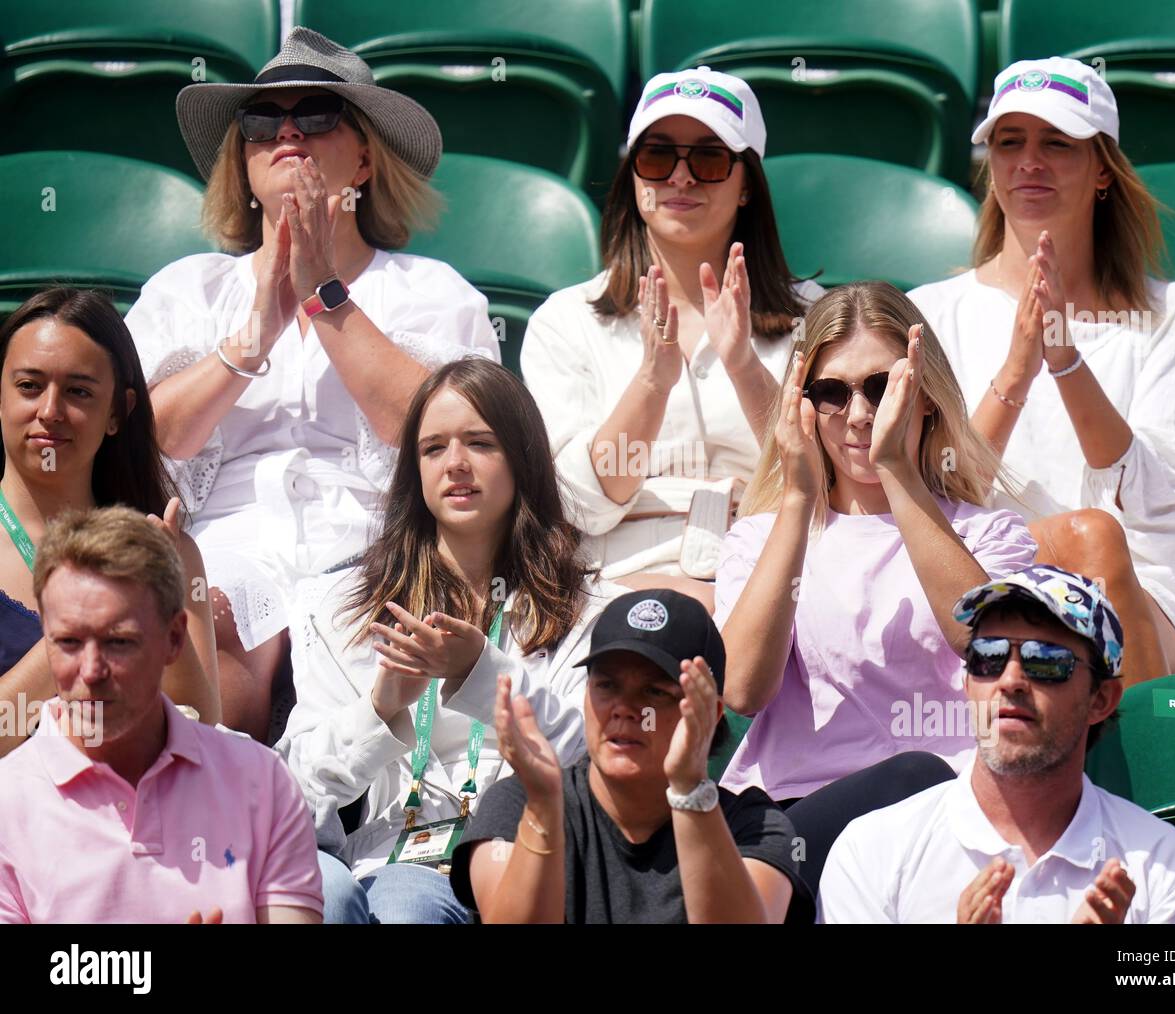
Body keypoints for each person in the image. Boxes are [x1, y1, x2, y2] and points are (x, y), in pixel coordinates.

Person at [126, 27, 498, 740]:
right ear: (245, 156)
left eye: (317, 114)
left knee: (368, 665)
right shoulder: (187, 290)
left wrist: (326, 297)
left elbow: (446, 435)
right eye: (263, 122)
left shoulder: (435, 294)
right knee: (204, 633)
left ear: (364, 157)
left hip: (379, 545)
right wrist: (252, 336)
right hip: (227, 540)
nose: (288, 132)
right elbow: (146, 439)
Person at [908, 57, 1175, 681]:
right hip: (976, 577)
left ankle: (1143, 773)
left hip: (1135, 585)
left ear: (1103, 169)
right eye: (1009, 142)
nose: (1030, 161)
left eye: (1058, 143)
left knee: (1097, 537)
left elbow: (1157, 505)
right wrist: (1019, 372)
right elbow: (933, 491)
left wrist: (1066, 361)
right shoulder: (929, 311)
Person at [279, 359, 619, 923]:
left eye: (480, 443)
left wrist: (480, 674)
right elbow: (292, 796)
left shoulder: (591, 609)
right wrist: (379, 708)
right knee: (319, 893)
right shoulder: (340, 608)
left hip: (511, 863)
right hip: (370, 863)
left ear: (523, 458)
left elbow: (587, 760)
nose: (455, 464)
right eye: (433, 448)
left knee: (407, 902)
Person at [715, 282, 1038, 804]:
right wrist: (798, 498)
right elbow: (743, 689)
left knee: (915, 778)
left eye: (882, 387)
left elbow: (990, 646)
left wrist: (895, 468)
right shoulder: (759, 538)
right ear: (805, 409)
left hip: (945, 808)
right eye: (832, 393)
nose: (860, 413)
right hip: (797, 810)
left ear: (926, 397)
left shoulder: (989, 535)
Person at [521, 68, 823, 605]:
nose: (680, 179)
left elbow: (826, 482)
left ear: (747, 182)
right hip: (615, 577)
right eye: (657, 157)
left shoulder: (815, 315)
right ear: (633, 177)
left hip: (780, 571)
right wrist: (650, 385)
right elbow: (578, 505)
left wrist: (744, 367)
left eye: (708, 159)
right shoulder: (566, 320)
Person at [818, 565, 1175, 924]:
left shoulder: (1167, 865)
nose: (1010, 681)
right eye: (988, 657)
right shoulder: (872, 850)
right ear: (968, 682)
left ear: (1101, 700)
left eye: (1045, 661)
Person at [0, 507, 321, 923]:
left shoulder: (264, 784)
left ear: (173, 640)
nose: (92, 671)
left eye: (119, 642)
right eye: (69, 642)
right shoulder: (9, 806)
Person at [450, 588, 813, 923]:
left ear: (709, 713)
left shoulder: (754, 825)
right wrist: (544, 807)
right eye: (607, 685)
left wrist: (689, 789)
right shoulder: (520, 801)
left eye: (655, 691)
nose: (624, 709)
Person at [0, 289, 219, 757]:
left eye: (78, 391)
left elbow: (203, 742)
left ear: (118, 412)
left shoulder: (166, 550)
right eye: (29, 386)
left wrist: (155, 607)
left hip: (134, 822)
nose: (50, 411)